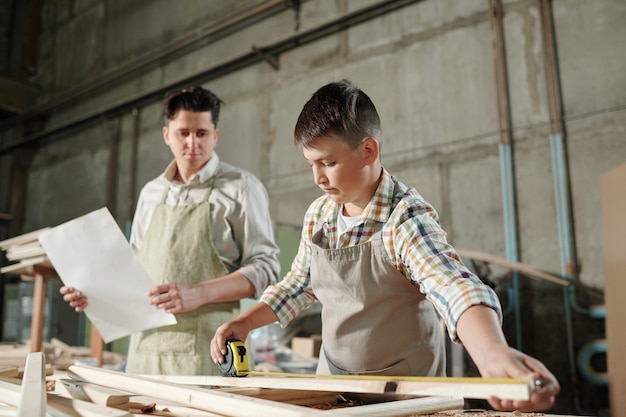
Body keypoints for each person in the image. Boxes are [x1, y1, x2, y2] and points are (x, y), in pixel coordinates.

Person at [210, 79, 559, 412]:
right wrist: (244, 323)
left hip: (404, 396)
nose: (317, 178)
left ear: (367, 151)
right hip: (333, 387)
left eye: (328, 163)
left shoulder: (404, 219)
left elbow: (453, 285)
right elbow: (300, 284)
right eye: (311, 165)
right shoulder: (320, 215)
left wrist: (491, 352)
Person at [61, 85, 280, 376]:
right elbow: (132, 272)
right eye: (183, 133)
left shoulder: (241, 187)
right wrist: (94, 294)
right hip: (144, 357)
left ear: (215, 135)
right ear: (167, 135)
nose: (192, 143)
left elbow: (266, 269)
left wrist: (199, 293)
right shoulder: (151, 193)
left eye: (201, 133)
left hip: (210, 354)